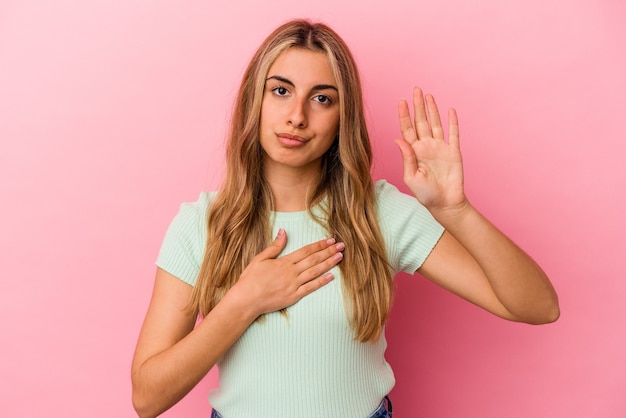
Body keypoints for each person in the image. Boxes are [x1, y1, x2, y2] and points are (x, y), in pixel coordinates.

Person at [131, 19, 559, 418]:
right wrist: (244, 302)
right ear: (253, 100)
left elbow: (538, 307)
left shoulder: (378, 213)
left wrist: (455, 211)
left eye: (321, 99)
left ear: (342, 117)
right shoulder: (200, 224)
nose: (297, 116)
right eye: (280, 91)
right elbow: (147, 398)